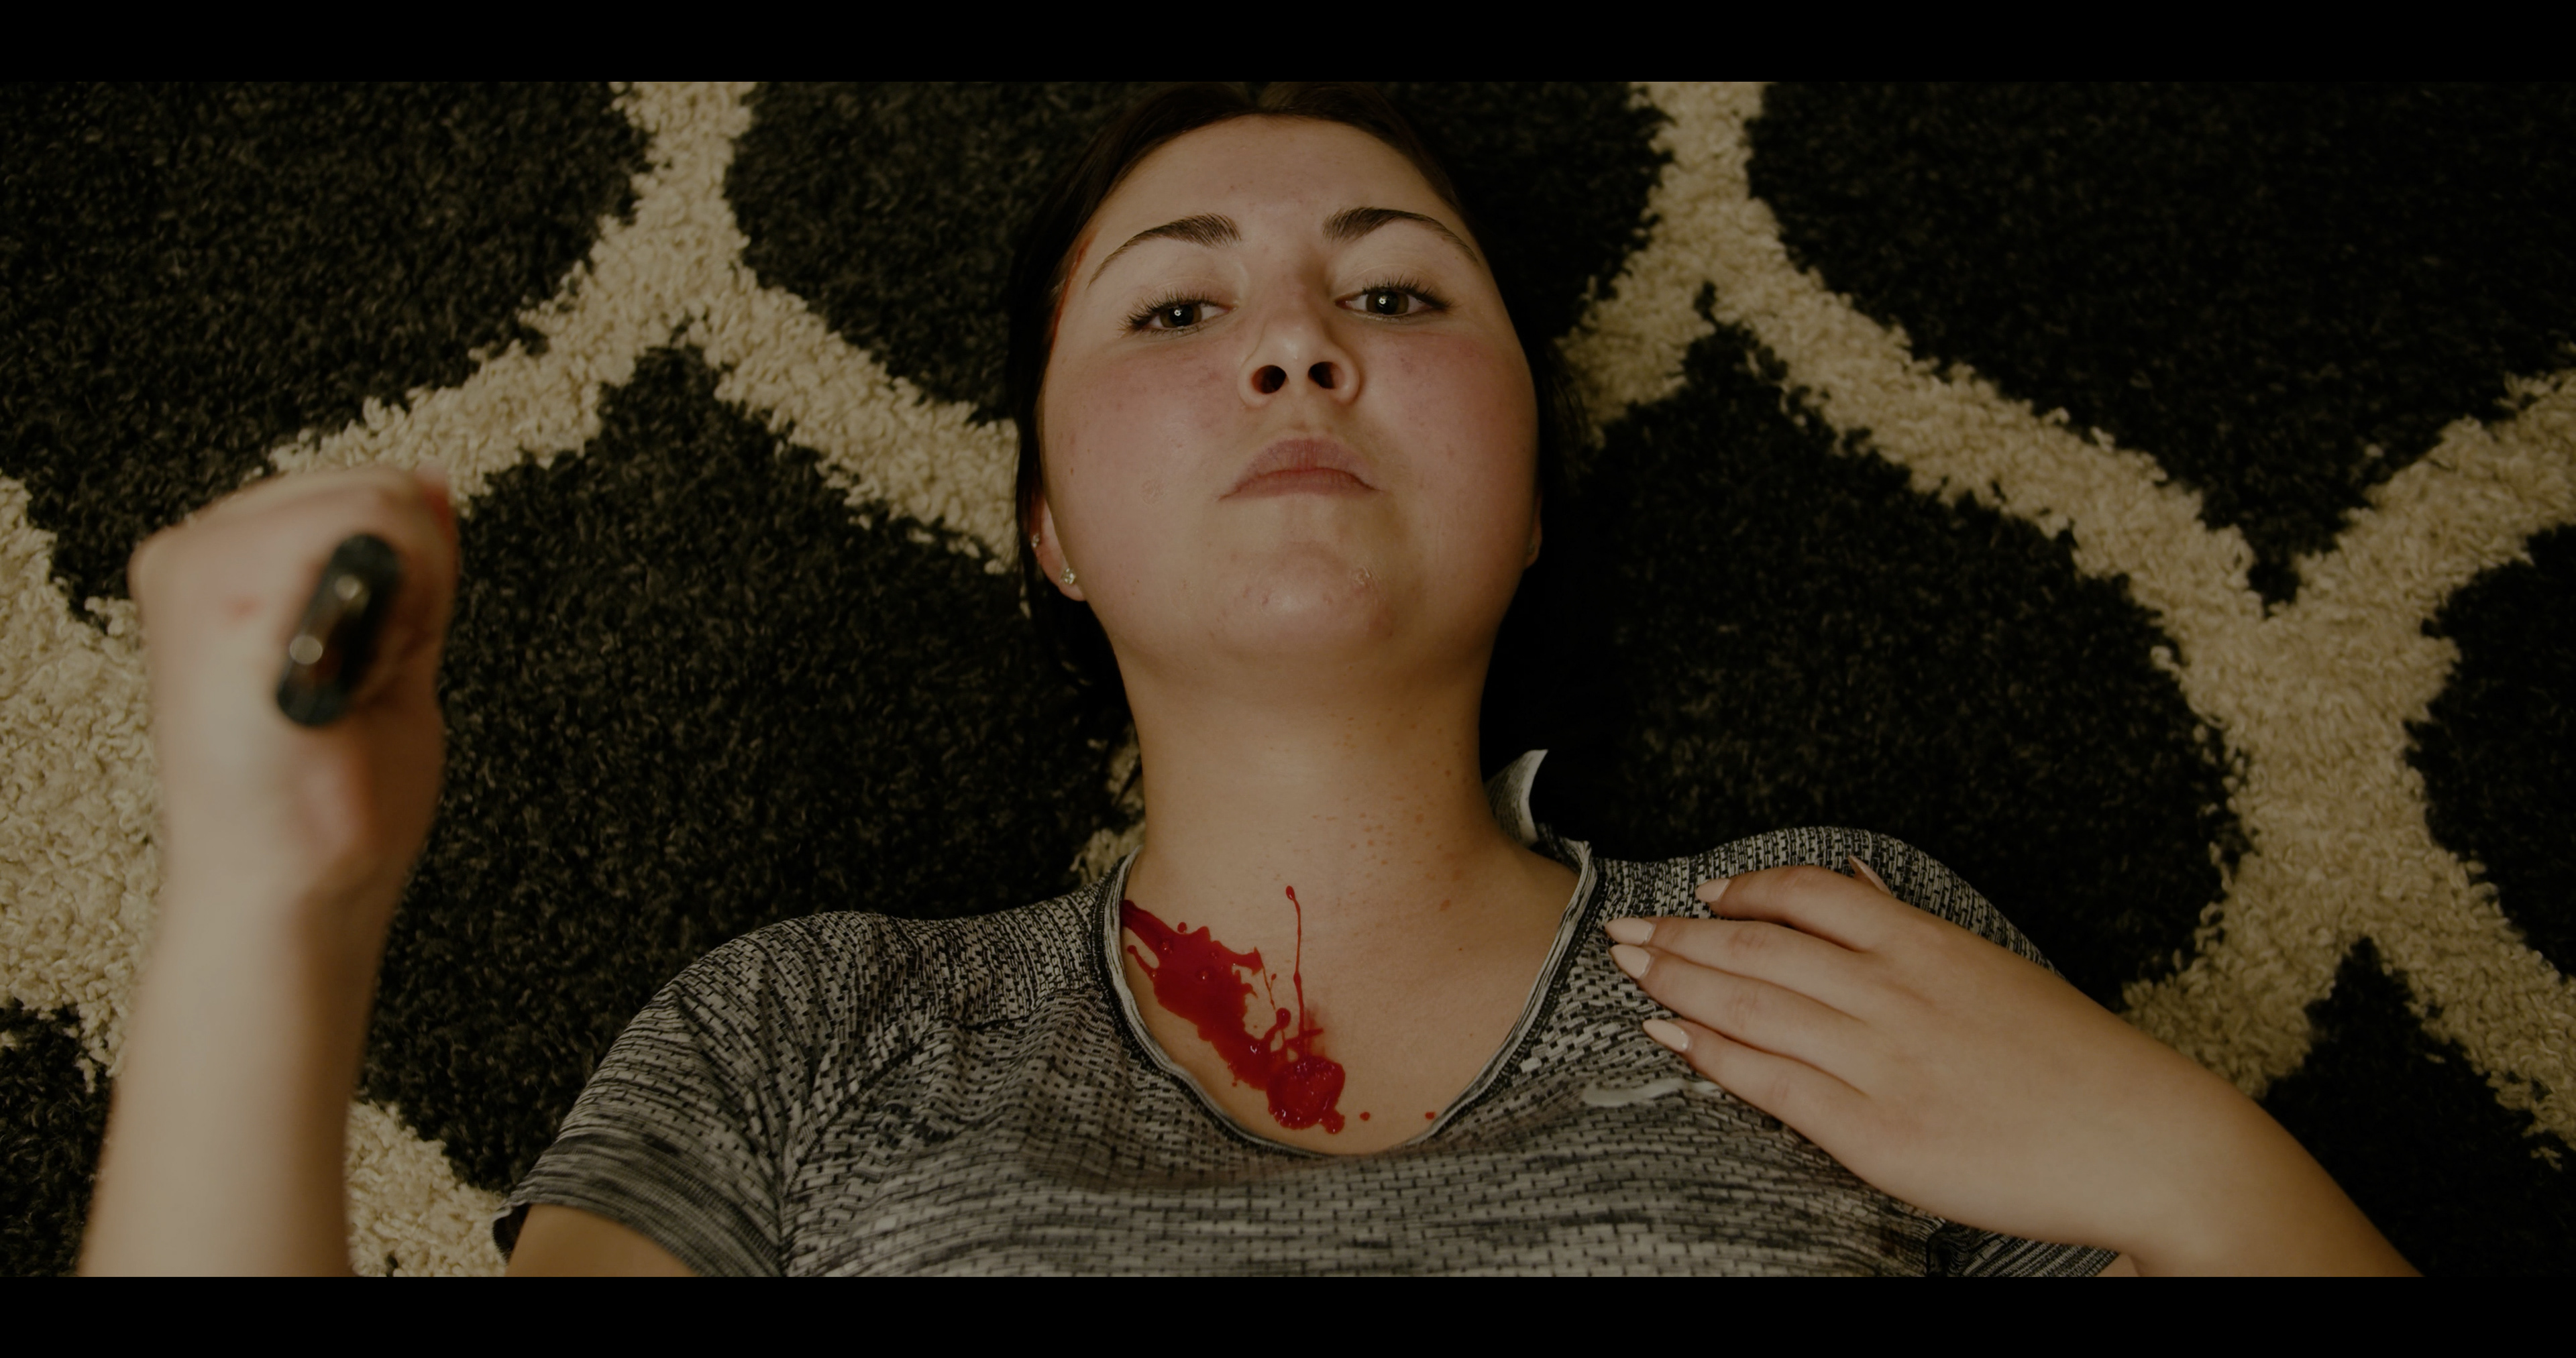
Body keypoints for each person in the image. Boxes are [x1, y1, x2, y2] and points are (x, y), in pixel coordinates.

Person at [80, 82, 2412, 1276]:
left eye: (1397, 294)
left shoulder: (1831, 946)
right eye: (1177, 308)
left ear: (1530, 492)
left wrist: (2192, 1166)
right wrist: (269, 911)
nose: (1297, 339)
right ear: (1050, 525)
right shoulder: (803, 1031)